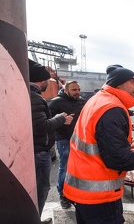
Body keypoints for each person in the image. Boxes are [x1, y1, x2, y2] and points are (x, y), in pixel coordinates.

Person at [63, 65, 134, 224]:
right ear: (119, 84)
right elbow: (117, 158)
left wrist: (125, 144)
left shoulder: (99, 100)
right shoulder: (112, 107)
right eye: (133, 82)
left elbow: (98, 139)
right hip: (99, 194)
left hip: (83, 188)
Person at [29, 59, 73, 224]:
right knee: (41, 188)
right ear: (41, 80)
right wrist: (60, 118)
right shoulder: (35, 97)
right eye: (48, 79)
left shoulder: (33, 96)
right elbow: (41, 126)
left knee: (40, 188)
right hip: (39, 152)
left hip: (38, 150)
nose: (49, 82)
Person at [48, 81, 86, 209]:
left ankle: (75, 192)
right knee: (65, 167)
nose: (77, 92)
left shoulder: (81, 101)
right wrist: (61, 121)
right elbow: (47, 122)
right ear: (66, 90)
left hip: (81, 139)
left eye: (78, 89)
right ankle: (63, 195)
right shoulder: (55, 103)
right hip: (64, 139)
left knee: (80, 167)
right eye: (74, 90)